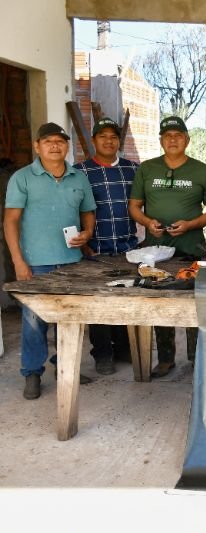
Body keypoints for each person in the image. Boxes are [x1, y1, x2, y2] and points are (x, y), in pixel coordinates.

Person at [4, 122, 97, 399]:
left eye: (60, 141)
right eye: (48, 141)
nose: (55, 146)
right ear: (37, 146)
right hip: (36, 262)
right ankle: (32, 372)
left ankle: (65, 367)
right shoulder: (22, 178)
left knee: (69, 319)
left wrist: (87, 233)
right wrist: (18, 262)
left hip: (71, 261)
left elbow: (88, 212)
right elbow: (10, 221)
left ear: (67, 146)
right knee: (34, 321)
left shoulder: (78, 177)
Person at [129, 116, 206, 378]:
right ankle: (166, 359)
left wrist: (190, 225)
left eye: (178, 135)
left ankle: (195, 358)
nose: (172, 139)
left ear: (187, 140)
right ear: (161, 140)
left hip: (191, 248)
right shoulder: (147, 169)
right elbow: (134, 206)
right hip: (156, 251)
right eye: (167, 135)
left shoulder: (201, 170)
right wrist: (148, 222)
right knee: (159, 300)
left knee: (194, 302)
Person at [74, 117, 139, 376]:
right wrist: (82, 244)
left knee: (124, 301)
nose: (108, 141)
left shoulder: (133, 170)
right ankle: (102, 353)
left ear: (118, 141)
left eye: (113, 137)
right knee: (98, 303)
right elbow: (74, 209)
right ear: (94, 140)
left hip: (127, 247)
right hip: (95, 249)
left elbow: (143, 204)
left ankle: (123, 348)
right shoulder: (79, 171)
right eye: (103, 136)